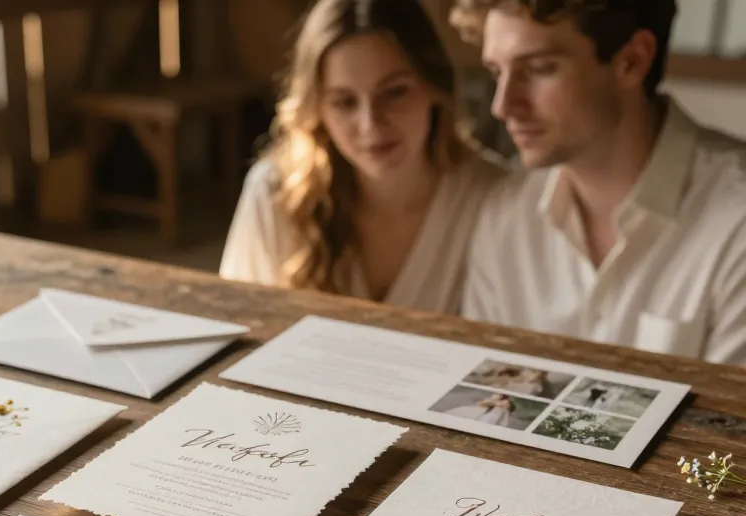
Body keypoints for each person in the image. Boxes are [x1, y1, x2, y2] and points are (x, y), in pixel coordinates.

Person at [451, 0, 746, 365]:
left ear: (632, 61)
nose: (503, 105)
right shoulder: (506, 217)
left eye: (539, 69)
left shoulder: (736, 222)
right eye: (497, 71)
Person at [218, 0, 506, 314]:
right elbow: (243, 327)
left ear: (434, 88)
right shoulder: (275, 196)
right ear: (318, 110)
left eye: (394, 92)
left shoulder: (492, 199)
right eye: (344, 102)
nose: (371, 125)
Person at [447, 393, 515, 426]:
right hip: (480, 411)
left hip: (490, 415)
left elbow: (506, 409)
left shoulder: (504, 405)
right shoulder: (494, 399)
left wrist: (497, 404)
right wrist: (494, 403)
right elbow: (481, 404)